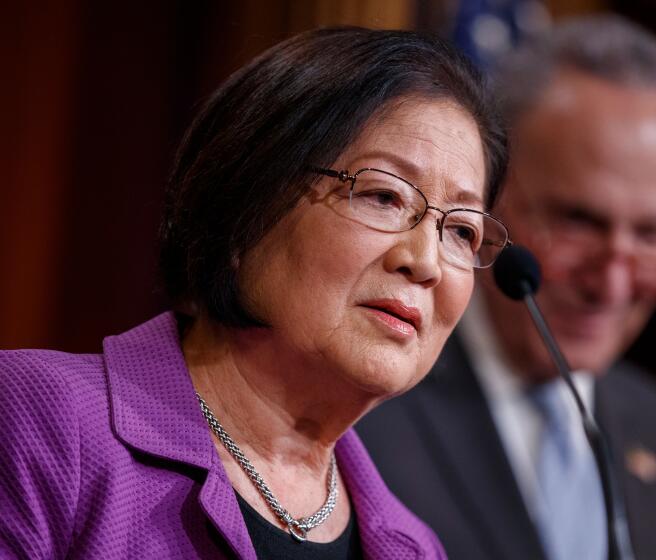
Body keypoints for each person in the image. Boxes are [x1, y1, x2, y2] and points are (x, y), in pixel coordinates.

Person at [0, 27, 510, 559]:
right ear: (247, 208)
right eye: (383, 195)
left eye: (461, 231)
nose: (425, 262)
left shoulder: (415, 549)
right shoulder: (38, 421)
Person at [357, 14, 656, 560]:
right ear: (488, 199)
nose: (613, 282)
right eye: (579, 221)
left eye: (651, 234)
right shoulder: (362, 404)